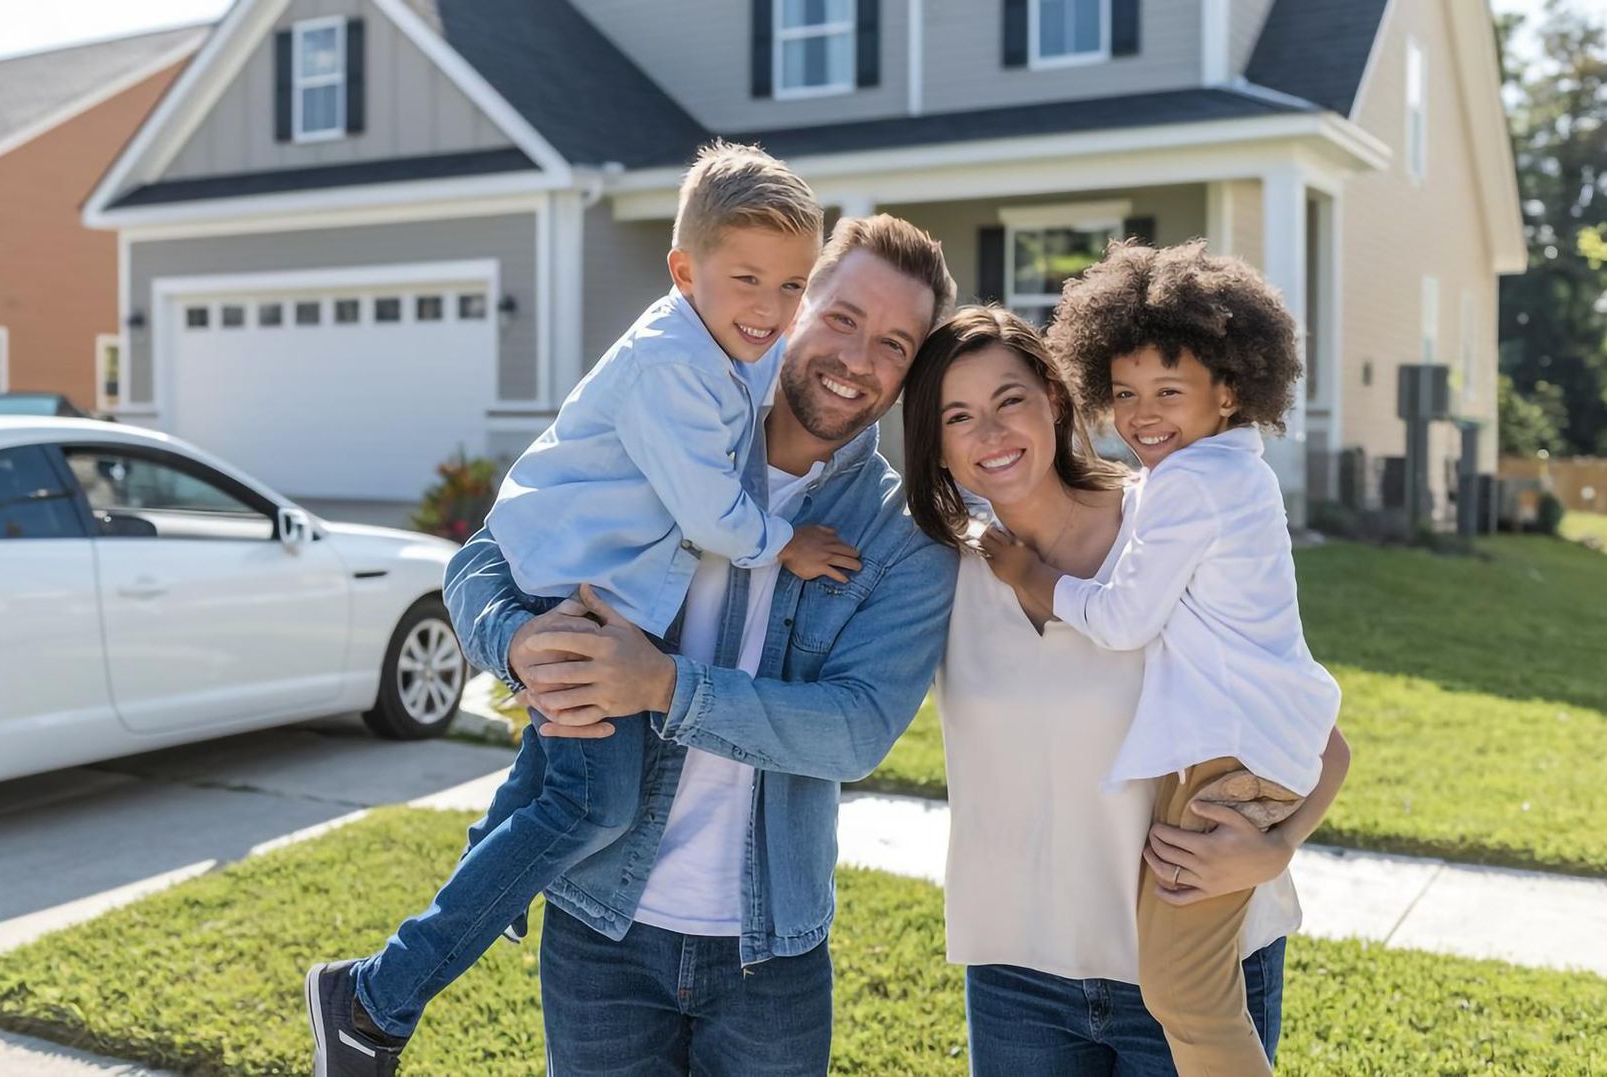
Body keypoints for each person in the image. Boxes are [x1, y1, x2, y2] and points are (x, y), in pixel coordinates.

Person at [304, 141, 854, 1076]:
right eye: (748, 279)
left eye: (792, 286)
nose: (771, 308)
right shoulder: (668, 366)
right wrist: (786, 543)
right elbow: (710, 511)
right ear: (685, 270)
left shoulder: (730, 348)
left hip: (586, 592)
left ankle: (460, 909)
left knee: (547, 804)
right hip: (561, 593)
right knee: (592, 810)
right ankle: (372, 997)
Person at [443, 214, 957, 1075]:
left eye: (895, 344)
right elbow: (485, 556)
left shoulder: (904, 534)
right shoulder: (677, 415)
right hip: (600, 917)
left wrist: (664, 687)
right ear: (795, 302)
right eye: (841, 317)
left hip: (772, 951)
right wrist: (516, 639)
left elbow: (857, 732)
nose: (859, 358)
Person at [912, 297, 1344, 1076]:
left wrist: (1276, 848)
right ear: (935, 444)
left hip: (1186, 963)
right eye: (958, 416)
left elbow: (1320, 736)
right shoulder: (942, 567)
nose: (991, 433)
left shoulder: (1169, 518)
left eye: (1010, 399)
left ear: (1054, 395)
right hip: (1018, 972)